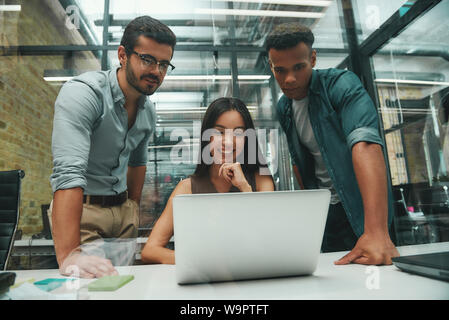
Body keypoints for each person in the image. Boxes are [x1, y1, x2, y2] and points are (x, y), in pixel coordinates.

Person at [49, 16, 176, 278]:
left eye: (164, 64)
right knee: (90, 288)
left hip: (123, 215)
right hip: (84, 213)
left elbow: (138, 163)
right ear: (123, 55)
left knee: (124, 287)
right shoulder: (84, 94)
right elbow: (68, 173)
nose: (156, 71)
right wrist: (70, 254)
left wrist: (132, 209)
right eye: (148, 59)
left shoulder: (147, 111)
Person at [266, 23, 399, 265]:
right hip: (325, 214)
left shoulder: (341, 85)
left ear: (313, 59)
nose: (290, 79)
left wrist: (376, 231)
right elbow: (299, 162)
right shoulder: (283, 107)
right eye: (280, 70)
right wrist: (310, 215)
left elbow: (365, 143)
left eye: (299, 67)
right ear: (271, 66)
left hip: (363, 210)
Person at [141, 97, 275, 264]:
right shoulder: (187, 188)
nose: (228, 141)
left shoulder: (261, 180)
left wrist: (244, 187)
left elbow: (270, 238)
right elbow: (150, 250)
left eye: (239, 133)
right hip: (205, 281)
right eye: (219, 132)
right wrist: (201, 262)